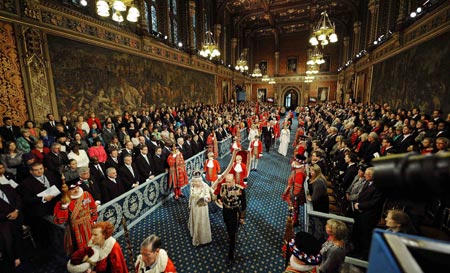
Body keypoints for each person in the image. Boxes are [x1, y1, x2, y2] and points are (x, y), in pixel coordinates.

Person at [53, 178, 98, 255]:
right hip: (75, 229)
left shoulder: (86, 194)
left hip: (89, 225)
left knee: (94, 246)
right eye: (73, 189)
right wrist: (64, 207)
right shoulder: (62, 203)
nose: (76, 190)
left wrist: (94, 220)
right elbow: (59, 221)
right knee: (81, 252)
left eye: (77, 187)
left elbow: (93, 208)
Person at [217, 174, 245, 266]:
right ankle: (231, 237)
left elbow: (244, 205)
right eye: (226, 181)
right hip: (225, 212)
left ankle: (230, 256)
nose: (227, 183)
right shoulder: (223, 187)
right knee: (228, 229)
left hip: (234, 214)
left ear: (233, 181)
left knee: (232, 235)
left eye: (229, 181)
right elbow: (218, 196)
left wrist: (242, 217)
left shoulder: (240, 189)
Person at [188, 172, 215, 246]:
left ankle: (203, 239)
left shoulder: (205, 186)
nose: (196, 183)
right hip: (195, 207)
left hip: (202, 208)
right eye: (195, 181)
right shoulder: (192, 185)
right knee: (195, 220)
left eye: (198, 181)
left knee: (202, 222)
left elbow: (208, 195)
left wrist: (206, 198)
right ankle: (195, 235)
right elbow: (191, 196)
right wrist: (190, 204)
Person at [282, 155, 307, 227]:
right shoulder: (299, 170)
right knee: (294, 208)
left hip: (294, 194)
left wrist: (294, 196)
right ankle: (294, 219)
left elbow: (297, 188)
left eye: (295, 161)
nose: (293, 162)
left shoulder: (299, 173)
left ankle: (294, 220)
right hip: (293, 191)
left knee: (294, 208)